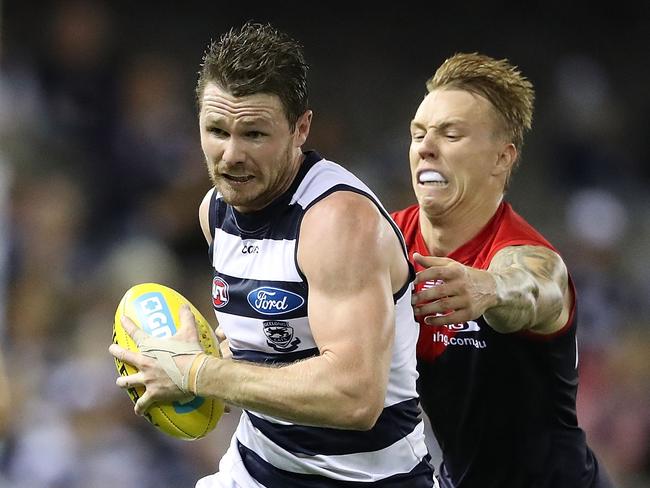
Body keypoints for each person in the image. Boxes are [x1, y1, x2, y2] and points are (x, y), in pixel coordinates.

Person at [109, 22, 436, 488]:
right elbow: (263, 347)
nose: (231, 155)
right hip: (255, 470)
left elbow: (354, 398)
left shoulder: (337, 222)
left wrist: (196, 371)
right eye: (216, 130)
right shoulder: (214, 212)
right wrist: (198, 357)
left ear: (301, 128)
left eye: (255, 135)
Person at [390, 52, 615, 487]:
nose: (426, 147)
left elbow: (535, 288)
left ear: (502, 158)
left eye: (451, 134)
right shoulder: (388, 239)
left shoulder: (526, 253)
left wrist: (490, 288)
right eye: (418, 134)